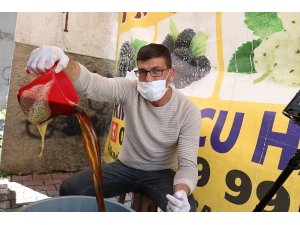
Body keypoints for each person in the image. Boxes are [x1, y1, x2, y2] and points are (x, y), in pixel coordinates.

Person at [26, 43, 201, 212]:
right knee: (70, 188)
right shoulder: (130, 89)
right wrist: (64, 61)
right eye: (142, 72)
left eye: (156, 71)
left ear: (170, 74)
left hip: (161, 173)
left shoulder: (188, 111)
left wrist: (181, 194)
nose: (148, 79)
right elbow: (91, 84)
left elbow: (187, 165)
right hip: (125, 168)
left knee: (187, 211)